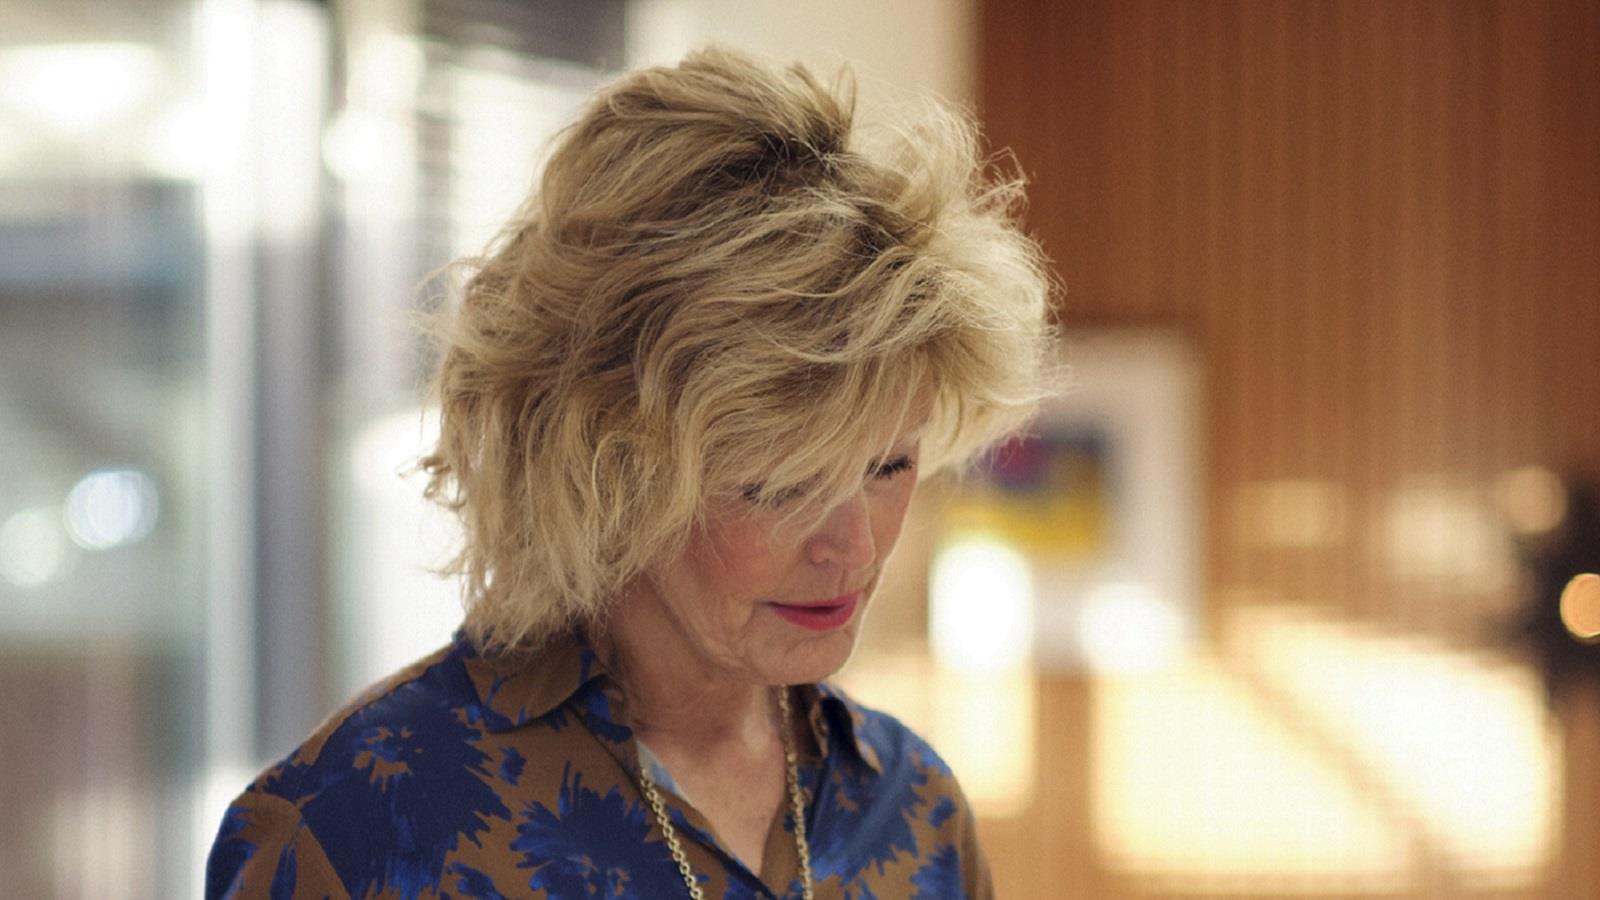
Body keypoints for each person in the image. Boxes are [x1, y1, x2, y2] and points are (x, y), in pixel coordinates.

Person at [206, 46, 1051, 899]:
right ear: (606, 469)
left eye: (888, 464)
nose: (855, 547)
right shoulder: (353, 831)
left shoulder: (917, 815)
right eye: (780, 485)